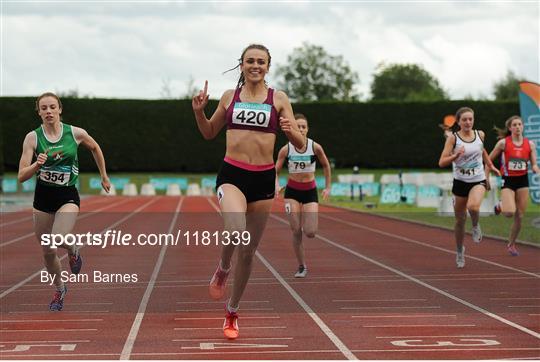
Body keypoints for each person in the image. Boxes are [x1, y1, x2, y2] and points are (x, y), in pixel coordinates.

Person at [191, 44, 303, 339]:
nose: (255, 65)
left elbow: (300, 144)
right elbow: (208, 133)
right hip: (233, 174)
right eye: (250, 61)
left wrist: (290, 130)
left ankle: (232, 311)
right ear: (241, 65)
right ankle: (222, 267)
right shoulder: (230, 97)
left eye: (261, 62)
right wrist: (199, 113)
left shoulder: (278, 98)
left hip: (263, 179)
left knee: (249, 252)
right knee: (235, 228)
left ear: (268, 66)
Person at [18, 92, 110, 311]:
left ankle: (73, 249)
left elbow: (95, 147)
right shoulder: (32, 138)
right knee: (48, 251)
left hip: (67, 195)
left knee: (58, 237)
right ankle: (60, 289)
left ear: (60, 109)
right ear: (39, 112)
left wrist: (103, 175)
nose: (48, 111)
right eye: (44, 108)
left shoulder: (75, 133)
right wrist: (36, 165)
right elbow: (22, 176)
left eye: (52, 107)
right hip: (43, 198)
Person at [438, 107, 499, 268]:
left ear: (473, 120)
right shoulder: (453, 139)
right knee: (459, 220)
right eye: (464, 119)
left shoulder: (480, 134)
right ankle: (459, 251)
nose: (468, 122)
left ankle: (475, 226)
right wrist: (455, 156)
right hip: (460, 182)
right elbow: (442, 162)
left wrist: (490, 165)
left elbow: (482, 150)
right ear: (458, 122)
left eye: (470, 119)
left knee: (473, 206)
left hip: (477, 179)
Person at [275, 113, 331, 278]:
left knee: (310, 232)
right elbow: (275, 170)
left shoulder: (315, 147)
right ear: (293, 127)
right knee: (295, 229)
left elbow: (326, 166)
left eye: (303, 126)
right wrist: (277, 185)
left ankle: (303, 261)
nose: (300, 129)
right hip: (292, 191)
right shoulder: (286, 149)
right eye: (297, 126)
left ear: (307, 129)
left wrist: (328, 187)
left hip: (309, 191)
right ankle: (301, 266)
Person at [488, 115, 539, 256]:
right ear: (510, 128)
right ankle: (500, 205)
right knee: (509, 213)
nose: (517, 127)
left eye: (520, 124)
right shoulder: (503, 143)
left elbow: (534, 163)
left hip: (522, 181)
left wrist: (535, 168)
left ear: (523, 127)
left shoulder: (530, 144)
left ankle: (511, 244)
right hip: (508, 180)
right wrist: (487, 175)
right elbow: (489, 160)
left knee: (520, 216)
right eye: (514, 125)